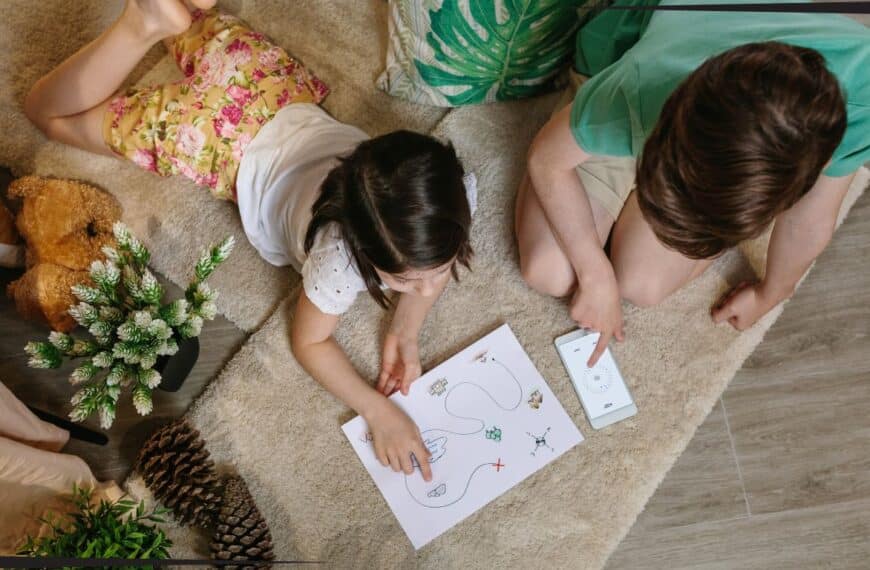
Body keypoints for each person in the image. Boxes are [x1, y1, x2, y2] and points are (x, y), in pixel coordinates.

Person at [25, 0, 479, 482]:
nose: (430, 289)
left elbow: (426, 269)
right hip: (209, 138)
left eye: (437, 271)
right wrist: (377, 410)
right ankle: (140, 25)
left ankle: (167, 16)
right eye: (408, 281)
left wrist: (405, 330)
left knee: (190, 13)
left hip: (263, 83)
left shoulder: (453, 189)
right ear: (361, 252)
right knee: (47, 115)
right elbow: (310, 341)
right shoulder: (337, 260)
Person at [516, 0, 869, 366]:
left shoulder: (863, 95)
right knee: (549, 270)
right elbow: (546, 159)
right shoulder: (642, 82)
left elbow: (809, 220)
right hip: (632, 70)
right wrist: (594, 271)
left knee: (642, 285)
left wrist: (772, 293)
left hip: (690, 112)